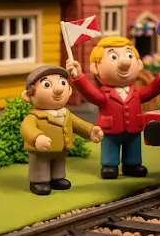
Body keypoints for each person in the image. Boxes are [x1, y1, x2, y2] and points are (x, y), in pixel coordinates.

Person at [66, 36, 160, 180]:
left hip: (133, 128)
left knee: (133, 147)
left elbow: (152, 90)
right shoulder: (104, 95)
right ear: (96, 68)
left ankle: (132, 164)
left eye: (129, 55)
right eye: (113, 57)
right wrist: (78, 77)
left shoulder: (136, 92)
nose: (125, 62)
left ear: (139, 64)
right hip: (111, 130)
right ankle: (109, 166)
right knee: (110, 147)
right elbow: (89, 92)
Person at [20, 66, 103, 196]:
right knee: (41, 164)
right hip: (41, 150)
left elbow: (78, 124)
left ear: (69, 90)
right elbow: (26, 128)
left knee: (59, 163)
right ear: (28, 95)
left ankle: (57, 178)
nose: (58, 89)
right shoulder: (34, 116)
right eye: (47, 85)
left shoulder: (66, 113)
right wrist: (37, 138)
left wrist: (90, 131)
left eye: (62, 83)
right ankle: (39, 181)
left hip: (62, 148)